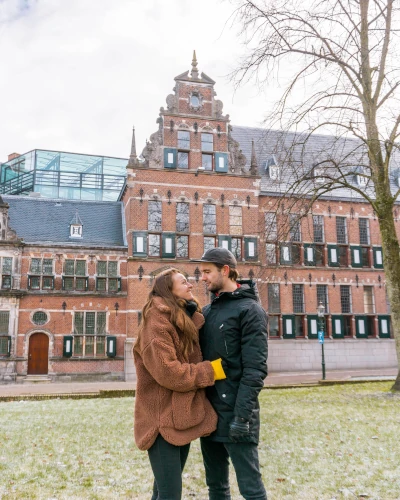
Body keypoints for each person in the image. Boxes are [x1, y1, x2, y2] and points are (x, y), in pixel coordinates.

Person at [133, 268, 227, 500]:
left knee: (164, 491)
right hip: (160, 421)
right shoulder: (155, 324)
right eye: (184, 282)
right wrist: (212, 370)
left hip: (178, 417)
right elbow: (170, 373)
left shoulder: (181, 318)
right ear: (169, 290)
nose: (191, 285)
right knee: (170, 494)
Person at [197, 247, 268, 500]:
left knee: (251, 490)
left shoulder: (250, 311)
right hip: (209, 416)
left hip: (238, 416)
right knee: (216, 487)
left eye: (207, 272)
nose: (202, 277)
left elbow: (255, 370)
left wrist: (242, 417)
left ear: (225, 270)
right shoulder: (206, 313)